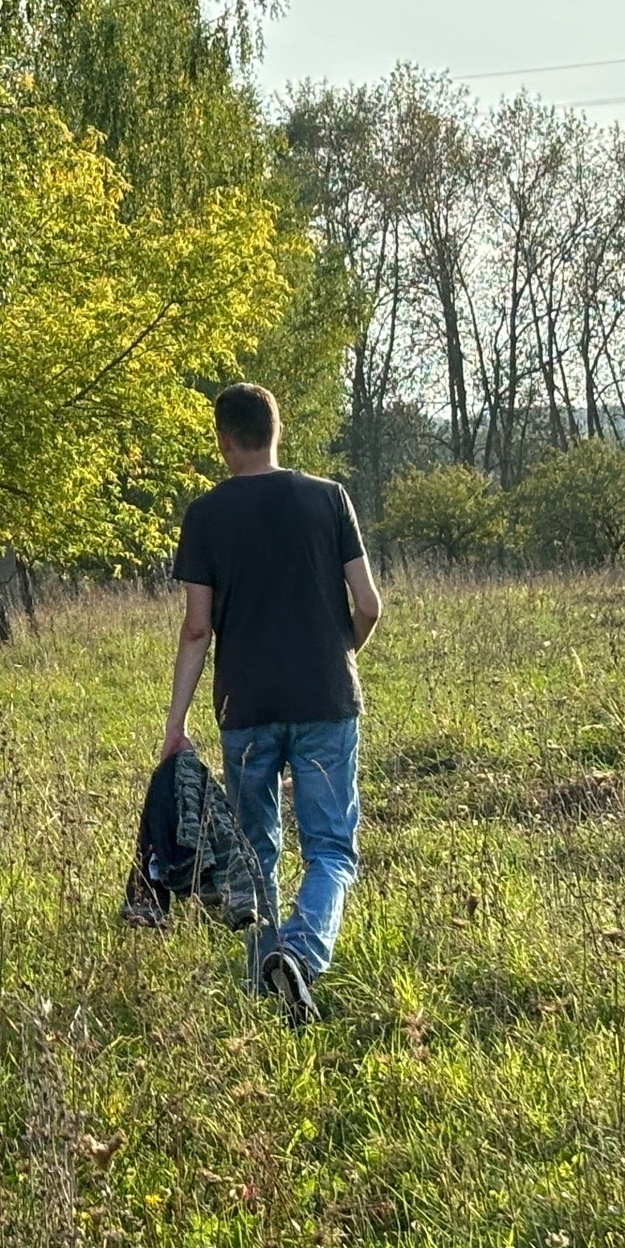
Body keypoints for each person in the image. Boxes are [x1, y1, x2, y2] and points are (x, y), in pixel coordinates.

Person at [162, 382, 381, 1025]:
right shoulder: (329, 498)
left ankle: (268, 979)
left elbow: (197, 629)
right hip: (326, 700)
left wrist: (176, 723)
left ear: (224, 441)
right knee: (331, 850)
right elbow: (369, 605)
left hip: (246, 711)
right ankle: (301, 956)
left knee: (257, 849)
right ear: (277, 429)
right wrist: (341, 654)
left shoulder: (205, 516)